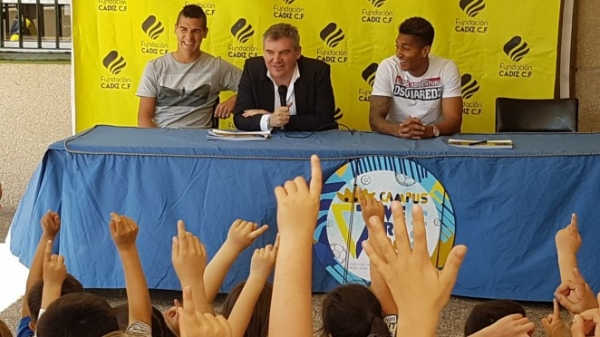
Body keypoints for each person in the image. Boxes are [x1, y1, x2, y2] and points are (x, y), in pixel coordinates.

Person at [137, 5, 241, 129]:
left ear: (205, 33)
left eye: (195, 31)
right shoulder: (155, 67)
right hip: (163, 142)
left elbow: (253, 87)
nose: (189, 37)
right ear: (175, 29)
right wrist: (159, 145)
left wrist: (234, 101)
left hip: (201, 144)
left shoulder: (216, 66)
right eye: (183, 29)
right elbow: (144, 117)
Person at [369, 17, 462, 139]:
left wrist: (428, 131)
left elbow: (454, 120)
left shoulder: (446, 68)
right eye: (397, 46)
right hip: (394, 139)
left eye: (406, 48)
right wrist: (400, 130)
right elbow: (375, 119)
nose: (398, 54)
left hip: (434, 139)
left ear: (425, 51)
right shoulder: (388, 66)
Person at [233, 23, 337, 132]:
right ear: (263, 52)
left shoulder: (317, 71)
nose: (276, 59)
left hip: (310, 144)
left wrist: (274, 119)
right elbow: (240, 118)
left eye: (284, 53)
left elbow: (325, 120)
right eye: (270, 52)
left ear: (298, 52)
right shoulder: (252, 69)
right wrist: (270, 119)